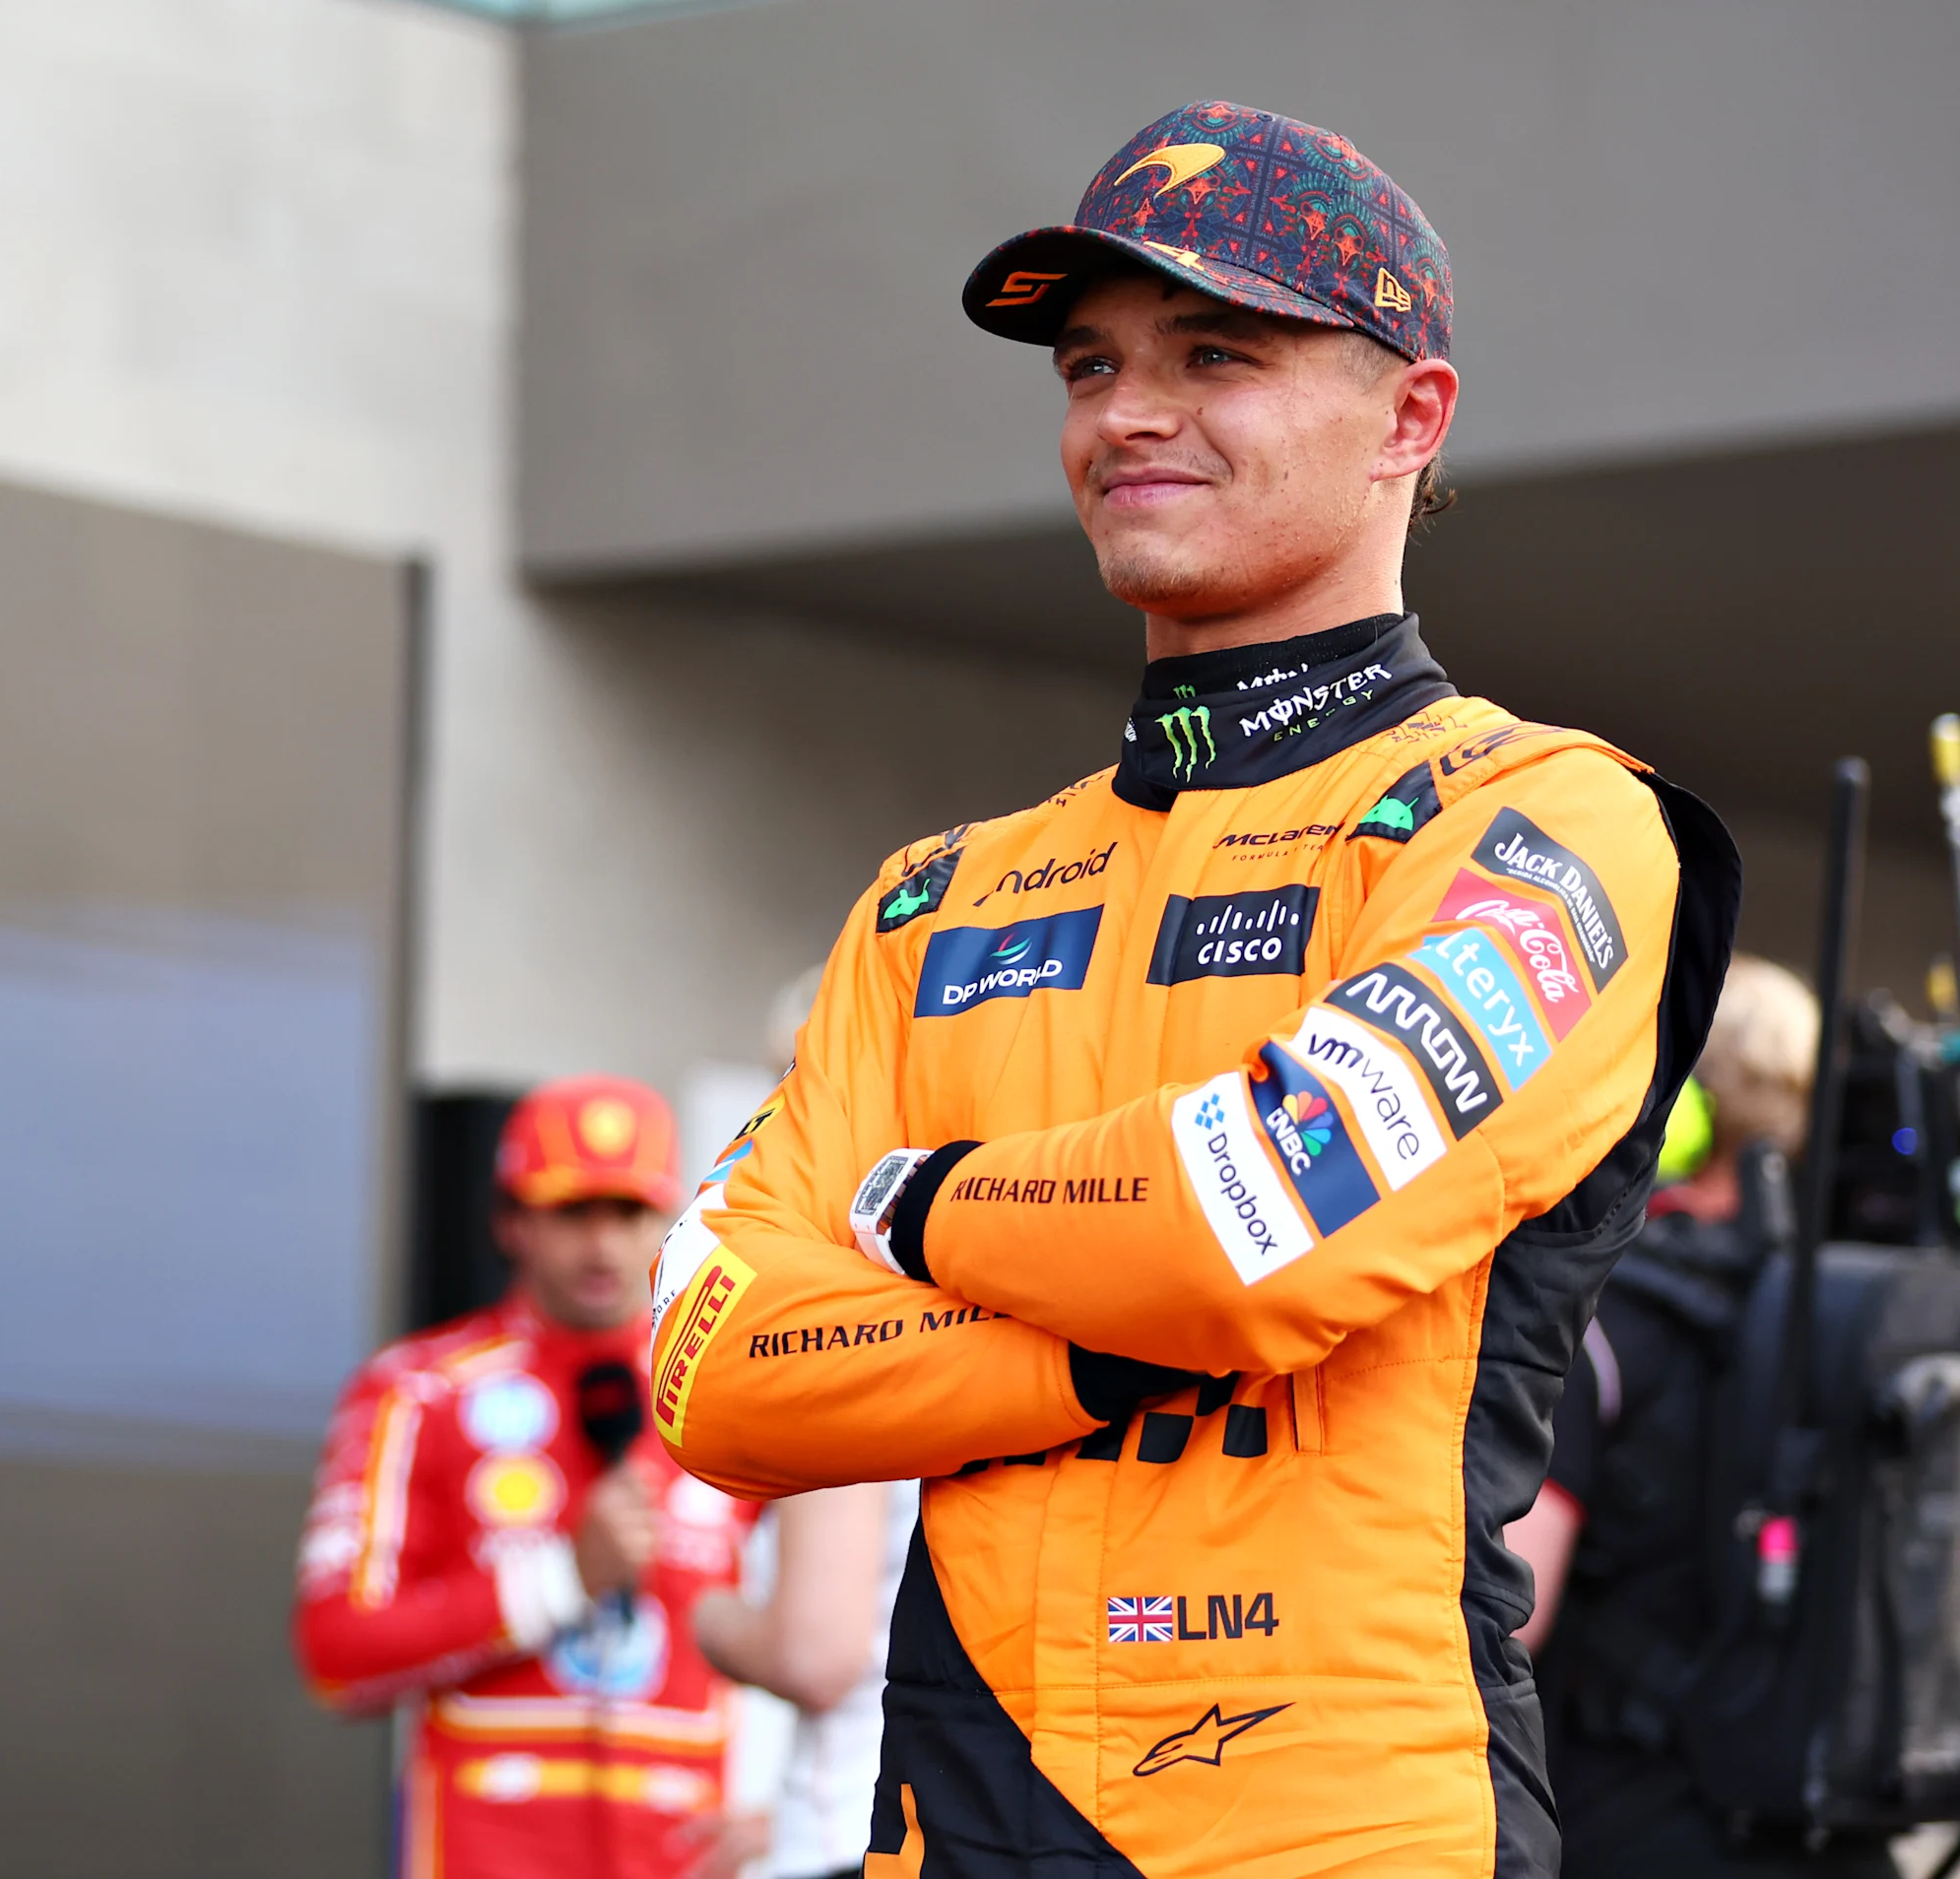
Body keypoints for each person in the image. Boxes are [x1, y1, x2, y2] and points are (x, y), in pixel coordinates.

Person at [647, 100, 1740, 1879]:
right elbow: (716, 1363)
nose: (1124, 415)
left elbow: (1264, 1220)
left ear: (1411, 415)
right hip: (949, 1827)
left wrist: (908, 1208)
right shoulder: (940, 896)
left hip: (1341, 1827)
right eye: (1088, 367)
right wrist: (1126, 1311)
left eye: (1213, 353)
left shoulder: (1543, 820)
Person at [296, 1075, 763, 1877]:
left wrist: (798, 1805)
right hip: (484, 1847)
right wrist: (558, 1581)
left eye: (628, 1213)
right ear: (510, 1219)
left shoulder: (737, 1393)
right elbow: (337, 1651)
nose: (603, 1245)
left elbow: (842, 1628)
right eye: (571, 1212)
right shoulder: (418, 1392)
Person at [1512, 957, 1884, 1875]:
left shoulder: (1601, 1312)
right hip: (1817, 1822)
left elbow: (1516, 1608)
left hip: (1624, 1821)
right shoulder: (1836, 1310)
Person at [694, 1477, 914, 1879]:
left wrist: (705, 1618)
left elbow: (815, 1658)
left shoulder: (844, 1418)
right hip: (944, 1817)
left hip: (853, 1830)